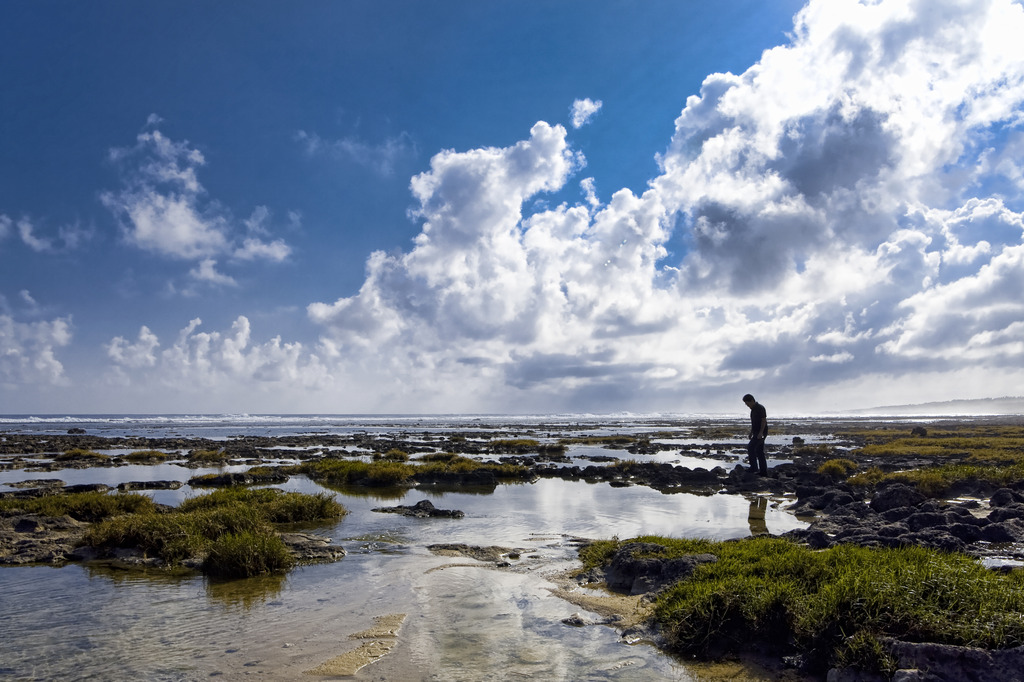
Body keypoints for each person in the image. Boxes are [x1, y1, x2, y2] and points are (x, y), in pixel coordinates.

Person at [742, 394, 768, 475]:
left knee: (751, 447)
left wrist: (760, 433)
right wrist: (751, 432)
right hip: (756, 432)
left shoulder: (760, 408)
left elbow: (763, 421)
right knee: (759, 451)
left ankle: (754, 468)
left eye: (748, 404)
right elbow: (754, 423)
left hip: (762, 432)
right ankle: (763, 472)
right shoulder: (752, 410)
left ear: (752, 401)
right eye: (746, 404)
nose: (747, 406)